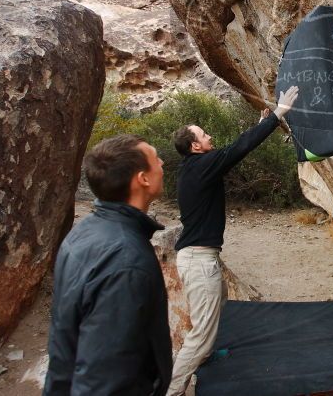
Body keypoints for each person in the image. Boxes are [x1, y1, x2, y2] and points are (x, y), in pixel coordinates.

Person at [166, 86, 299, 396]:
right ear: (195, 146)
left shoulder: (195, 168)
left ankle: (207, 356)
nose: (209, 136)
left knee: (218, 304)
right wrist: (278, 114)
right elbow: (239, 149)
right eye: (204, 134)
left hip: (199, 259)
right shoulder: (201, 167)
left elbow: (234, 147)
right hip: (199, 262)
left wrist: (260, 123)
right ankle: (172, 390)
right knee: (200, 338)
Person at [44, 135, 172, 396]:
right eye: (155, 158)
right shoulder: (126, 262)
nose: (161, 163)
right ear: (143, 179)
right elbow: (105, 378)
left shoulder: (84, 232)